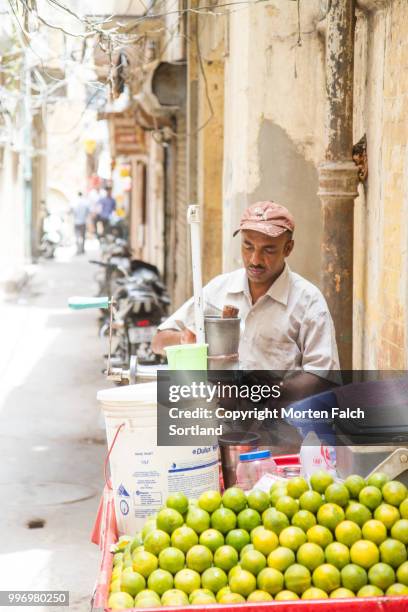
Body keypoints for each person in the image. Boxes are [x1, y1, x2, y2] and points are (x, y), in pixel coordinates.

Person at [152, 201, 339, 394]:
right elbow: (158, 341)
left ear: (288, 248)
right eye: (248, 246)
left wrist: (266, 395)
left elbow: (321, 377)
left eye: (269, 250)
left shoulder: (308, 302)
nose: (255, 260)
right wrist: (185, 339)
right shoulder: (219, 290)